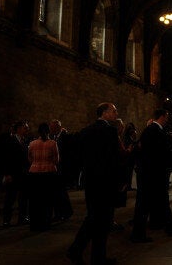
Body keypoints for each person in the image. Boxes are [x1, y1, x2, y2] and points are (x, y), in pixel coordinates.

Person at [67, 103, 122, 264]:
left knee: (95, 218)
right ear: (104, 113)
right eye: (113, 111)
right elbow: (114, 160)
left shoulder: (86, 130)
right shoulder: (110, 131)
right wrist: (119, 181)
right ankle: (78, 250)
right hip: (106, 182)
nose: (116, 113)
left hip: (91, 181)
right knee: (101, 220)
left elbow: (76, 153)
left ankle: (94, 256)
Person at [131, 109, 172, 243]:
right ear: (162, 117)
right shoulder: (155, 131)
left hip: (150, 174)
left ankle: (169, 227)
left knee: (159, 202)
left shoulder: (150, 130)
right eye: (166, 117)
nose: (167, 119)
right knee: (146, 205)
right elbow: (163, 153)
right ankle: (138, 234)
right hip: (153, 175)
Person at [27, 122, 60, 231]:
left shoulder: (32, 144)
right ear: (48, 131)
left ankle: (35, 223)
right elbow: (56, 160)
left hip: (34, 173)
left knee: (35, 199)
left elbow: (30, 159)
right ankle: (45, 223)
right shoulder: (52, 143)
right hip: (48, 172)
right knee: (48, 199)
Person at [0, 121, 30, 226]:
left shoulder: (25, 141)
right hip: (13, 174)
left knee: (23, 198)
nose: (27, 130)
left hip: (24, 174)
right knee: (10, 198)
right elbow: (6, 159)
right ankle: (6, 220)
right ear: (19, 128)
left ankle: (22, 218)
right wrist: (7, 174)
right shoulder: (10, 141)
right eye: (25, 128)